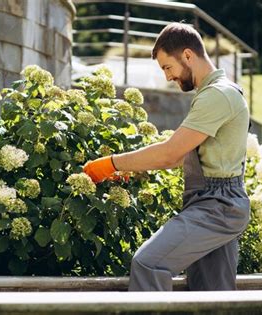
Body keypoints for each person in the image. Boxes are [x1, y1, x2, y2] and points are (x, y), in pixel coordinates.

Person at [83, 22, 251, 291]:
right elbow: (176, 158)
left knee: (148, 263)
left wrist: (110, 164)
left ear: (187, 55)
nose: (167, 77)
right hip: (215, 204)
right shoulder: (215, 93)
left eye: (167, 67)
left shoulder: (218, 95)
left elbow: (170, 154)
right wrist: (131, 167)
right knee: (211, 295)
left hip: (217, 205)